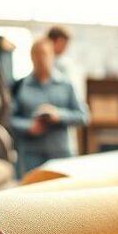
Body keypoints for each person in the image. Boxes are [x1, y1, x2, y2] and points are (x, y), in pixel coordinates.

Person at [10, 38, 89, 176]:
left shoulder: (66, 84)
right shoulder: (21, 86)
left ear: (52, 56)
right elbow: (10, 119)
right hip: (31, 156)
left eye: (45, 54)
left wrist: (59, 115)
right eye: (37, 54)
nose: (41, 59)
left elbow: (83, 116)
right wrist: (29, 126)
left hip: (61, 154)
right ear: (31, 57)